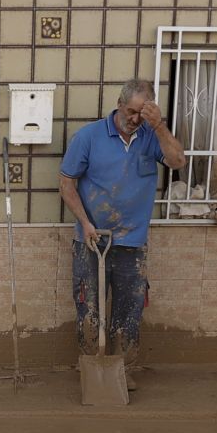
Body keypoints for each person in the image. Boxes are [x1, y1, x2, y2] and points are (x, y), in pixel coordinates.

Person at [58, 79, 188, 386]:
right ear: (119, 103)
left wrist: (159, 127)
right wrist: (85, 223)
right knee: (89, 307)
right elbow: (66, 184)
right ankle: (91, 369)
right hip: (92, 239)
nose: (135, 119)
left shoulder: (150, 135)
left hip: (133, 241)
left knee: (129, 311)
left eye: (142, 114)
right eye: (131, 111)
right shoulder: (89, 137)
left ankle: (122, 370)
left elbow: (178, 161)